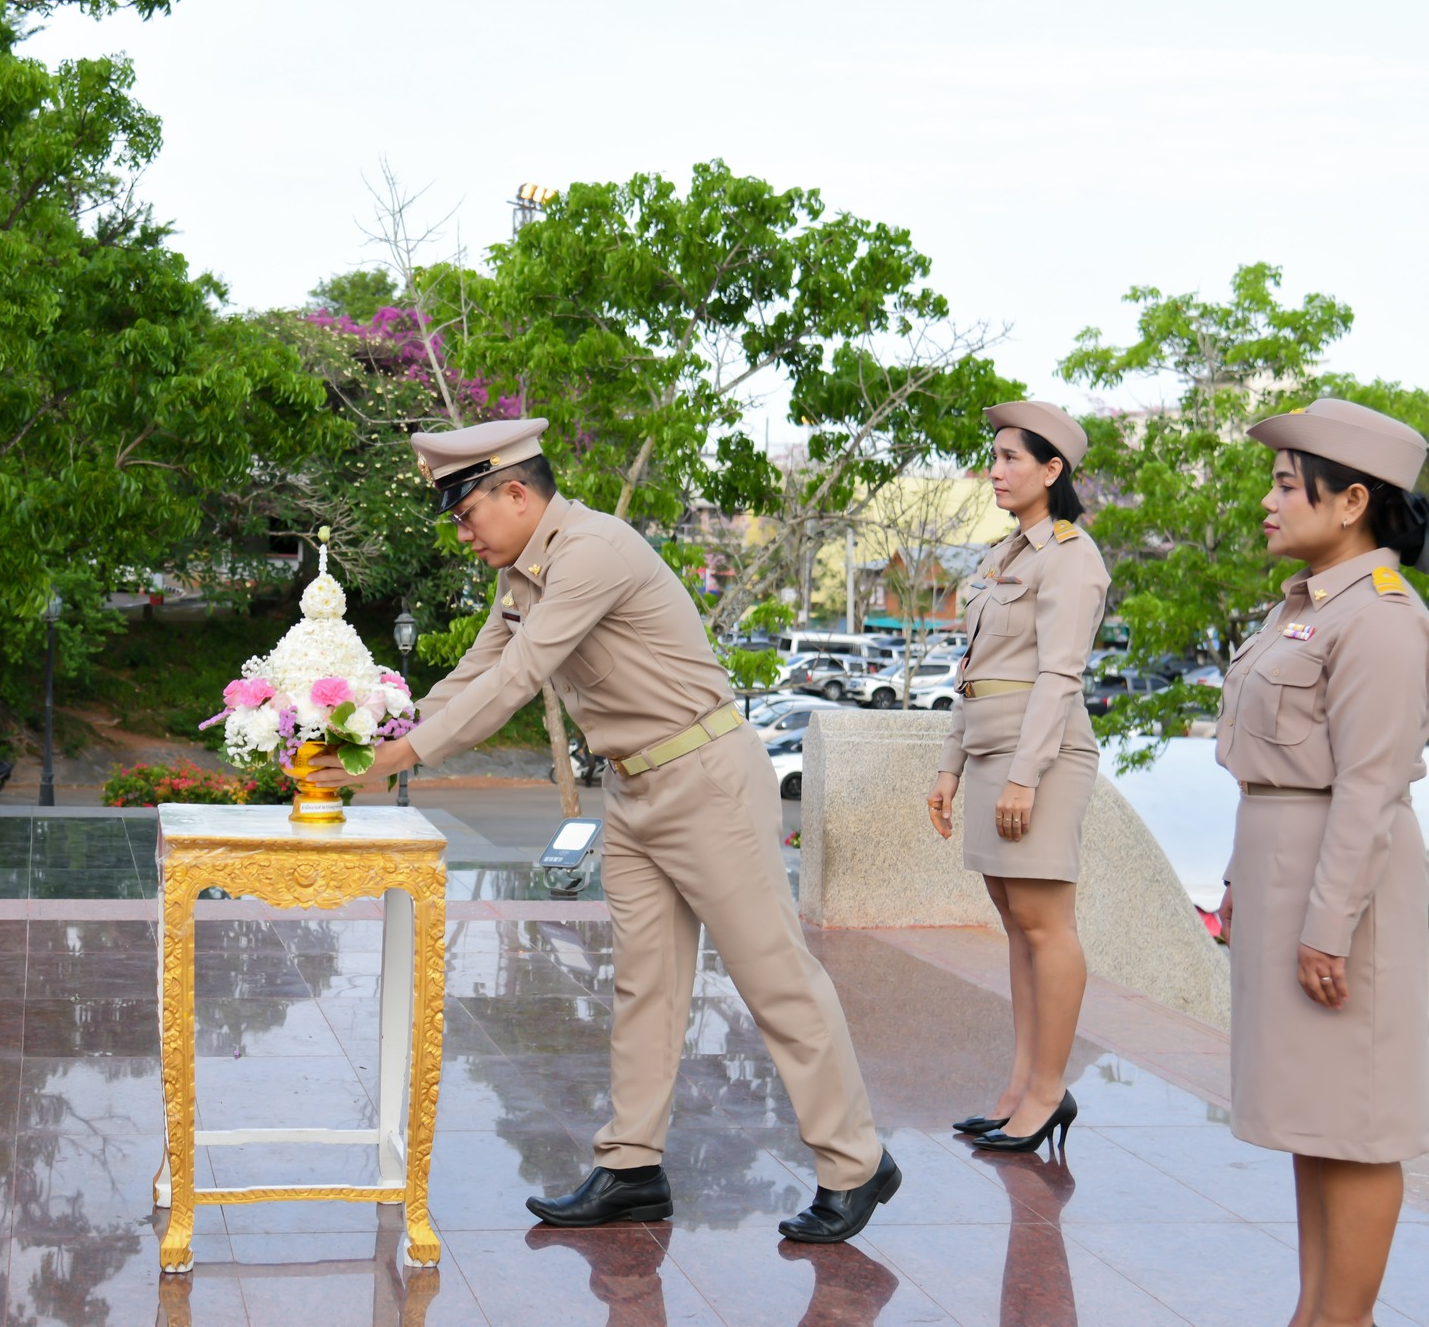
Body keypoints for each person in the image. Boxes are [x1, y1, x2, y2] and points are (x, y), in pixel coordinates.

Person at [306, 417, 900, 1242]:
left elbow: (520, 676)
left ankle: (856, 1163)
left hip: (707, 781)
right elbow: (474, 672)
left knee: (774, 977)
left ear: (517, 492)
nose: (463, 532)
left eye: (467, 512)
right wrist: (375, 739)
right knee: (644, 984)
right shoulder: (522, 573)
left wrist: (402, 756)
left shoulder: (592, 551)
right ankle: (631, 1167)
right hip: (635, 790)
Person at [1216, 396, 1429, 1327]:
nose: (1268, 501)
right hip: (1283, 875)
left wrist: (1327, 928)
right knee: (1316, 1119)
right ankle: (1321, 1311)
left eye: (1285, 484)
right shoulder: (1304, 606)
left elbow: (1370, 789)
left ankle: (1339, 1318)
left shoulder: (1380, 618)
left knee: (1357, 1122)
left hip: (1342, 895)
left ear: (1351, 503)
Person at [925, 401, 1109, 1155]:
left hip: (1043, 756)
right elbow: (975, 674)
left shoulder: (1071, 555)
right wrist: (949, 765)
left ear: (1051, 470)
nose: (996, 471)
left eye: (1011, 459)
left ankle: (1047, 1091)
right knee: (1016, 924)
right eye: (993, 457)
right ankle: (1021, 1084)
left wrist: (1026, 776)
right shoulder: (1007, 557)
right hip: (994, 745)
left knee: (1046, 925)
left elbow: (1060, 675)